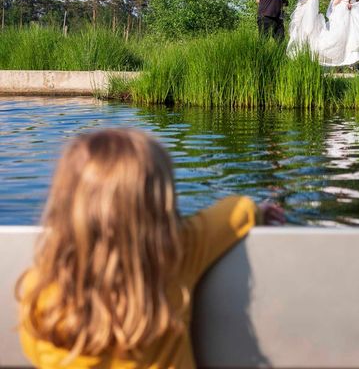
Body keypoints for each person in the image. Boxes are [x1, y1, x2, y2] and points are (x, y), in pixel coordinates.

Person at [15, 128, 284, 368]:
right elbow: (236, 210)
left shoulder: (38, 292)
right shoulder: (179, 251)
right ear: (159, 204)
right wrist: (258, 212)